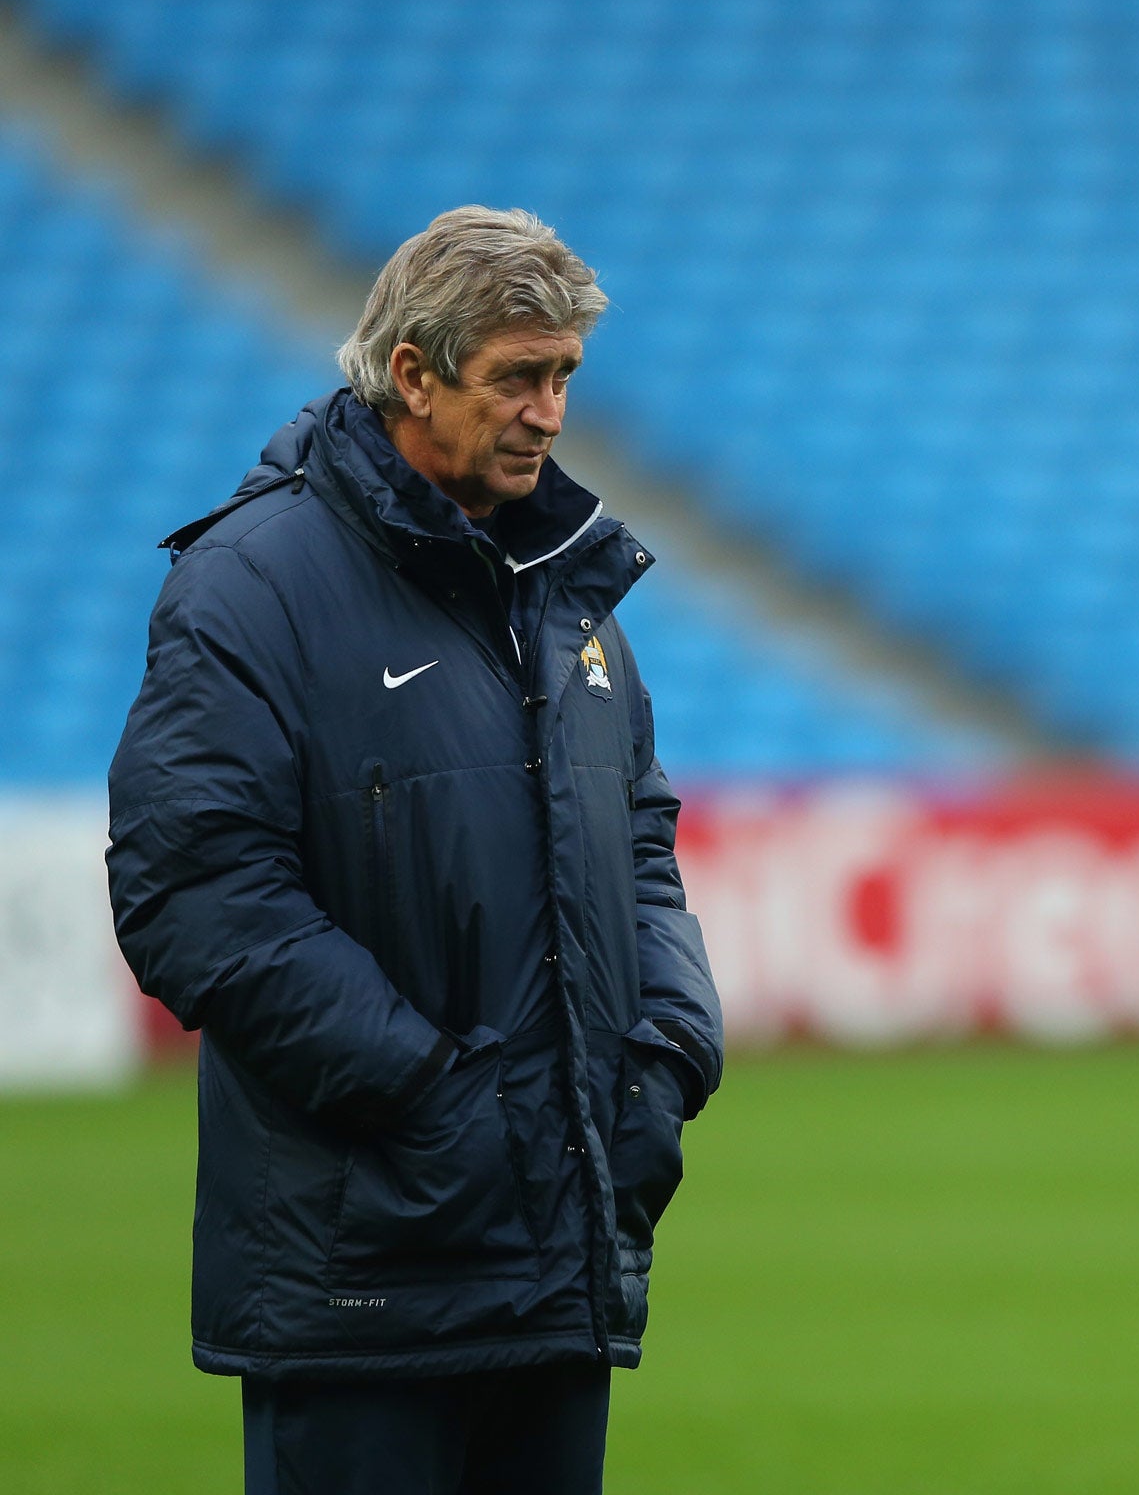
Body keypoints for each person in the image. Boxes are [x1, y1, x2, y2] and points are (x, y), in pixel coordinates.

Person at [106, 206, 723, 1495]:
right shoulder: (254, 583)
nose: (550, 414)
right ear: (412, 372)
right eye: (517, 378)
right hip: (366, 1279)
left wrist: (662, 1066)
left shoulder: (564, 582)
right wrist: (447, 1105)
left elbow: (643, 845)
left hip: (560, 1257)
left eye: (563, 379)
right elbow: (195, 891)